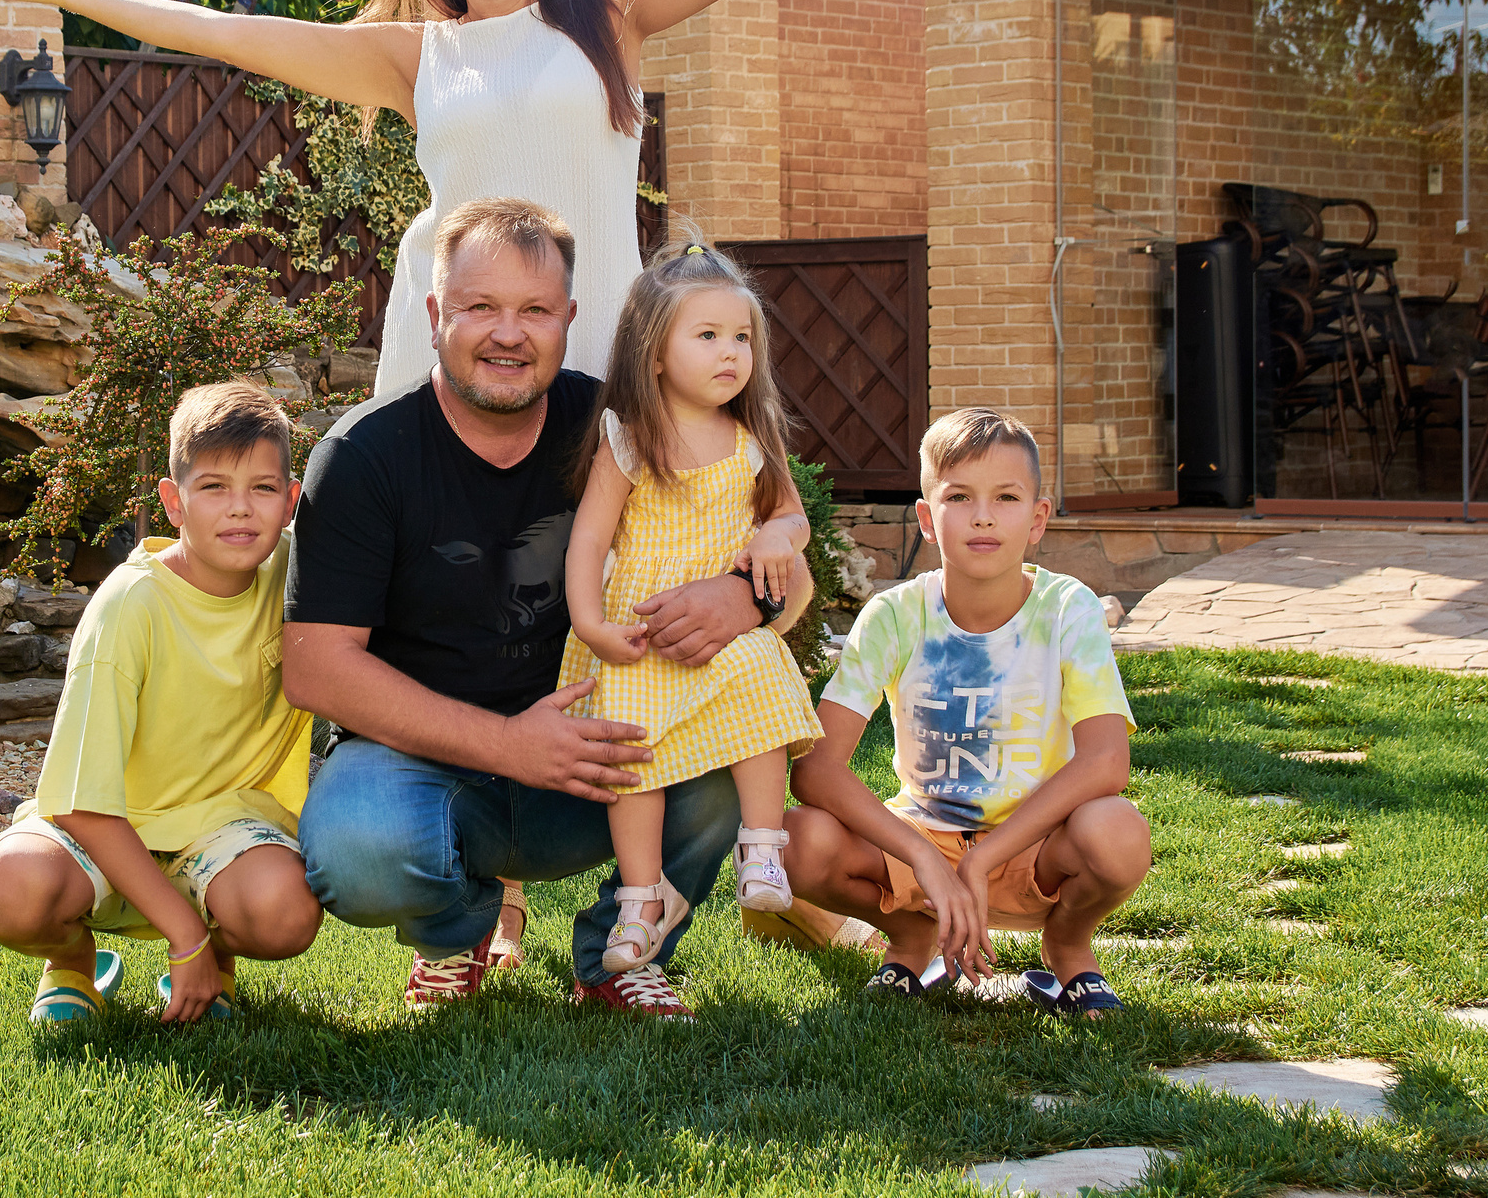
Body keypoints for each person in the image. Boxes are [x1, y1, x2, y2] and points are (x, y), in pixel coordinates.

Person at [0, 0, 1079, 399]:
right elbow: (230, 33)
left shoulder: (610, 3)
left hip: (597, 321)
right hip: (447, 328)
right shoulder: (413, 56)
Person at [283, 197, 810, 1021]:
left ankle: (620, 953)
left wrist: (740, 595)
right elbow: (316, 666)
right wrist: (509, 744)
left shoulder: (624, 426)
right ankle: (457, 934)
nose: (508, 333)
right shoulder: (363, 456)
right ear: (435, 315)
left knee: (720, 767)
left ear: (569, 319)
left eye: (534, 310)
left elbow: (788, 569)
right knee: (360, 845)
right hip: (427, 761)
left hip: (605, 739)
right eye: (481, 307)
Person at [0, 382, 322, 1025]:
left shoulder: (300, 576)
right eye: (213, 486)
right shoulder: (128, 607)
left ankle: (216, 956)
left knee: (286, 911)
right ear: (173, 502)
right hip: (111, 826)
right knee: (17, 891)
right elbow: (83, 804)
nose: (240, 510)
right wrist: (179, 934)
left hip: (220, 826)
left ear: (291, 500)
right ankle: (74, 961)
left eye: (263, 489)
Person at [785, 408, 1153, 1016]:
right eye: (960, 496)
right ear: (928, 519)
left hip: (1039, 846)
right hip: (923, 840)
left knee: (1117, 832)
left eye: (1006, 497)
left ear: (1038, 519)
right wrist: (925, 858)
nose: (983, 515)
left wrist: (984, 856)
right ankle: (909, 942)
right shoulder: (895, 615)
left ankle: (1068, 949)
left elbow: (1107, 762)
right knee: (800, 841)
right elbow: (817, 770)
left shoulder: (1068, 609)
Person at [560, 240, 826, 969]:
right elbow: (588, 542)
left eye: (741, 337)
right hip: (641, 636)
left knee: (763, 682)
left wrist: (776, 533)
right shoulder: (631, 436)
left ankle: (762, 849)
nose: (729, 353)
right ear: (653, 353)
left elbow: (794, 519)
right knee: (633, 757)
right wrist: (591, 622)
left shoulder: (751, 439)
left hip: (722, 635)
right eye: (706, 336)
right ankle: (642, 897)